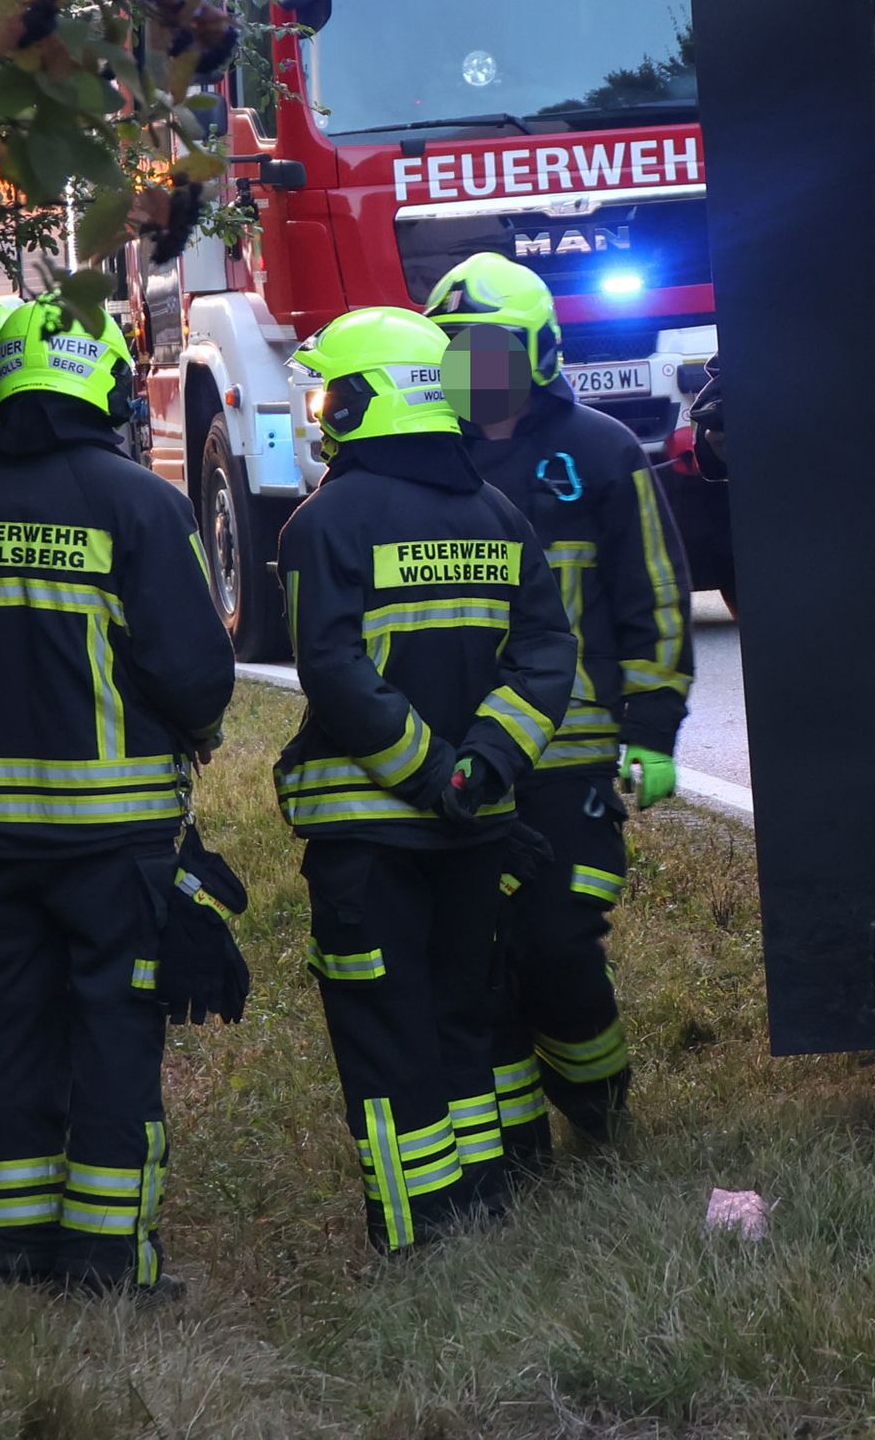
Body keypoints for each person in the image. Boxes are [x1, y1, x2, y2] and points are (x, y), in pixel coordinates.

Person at [0, 298, 234, 1297]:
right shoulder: (141, 503)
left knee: (4, 1022)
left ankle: (9, 1245)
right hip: (117, 842)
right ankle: (104, 1259)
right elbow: (195, 672)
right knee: (113, 1035)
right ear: (106, 382)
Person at [271, 305, 576, 1251]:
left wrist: (432, 771)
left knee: (384, 1031)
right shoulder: (501, 515)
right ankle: (483, 1208)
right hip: (475, 826)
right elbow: (546, 654)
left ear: (361, 400)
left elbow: (331, 670)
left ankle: (415, 1236)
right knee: (463, 1013)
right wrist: (485, 764)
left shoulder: (322, 524)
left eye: (331, 393)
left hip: (371, 836)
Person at [425, 253, 692, 1160]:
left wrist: (651, 733)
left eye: (487, 347)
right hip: (463, 756)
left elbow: (653, 597)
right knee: (482, 955)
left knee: (557, 942)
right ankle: (514, 1143)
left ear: (535, 350)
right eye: (454, 346)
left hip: (572, 760)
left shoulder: (601, 451)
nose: (471, 364)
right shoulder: (425, 460)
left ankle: (603, 1114)